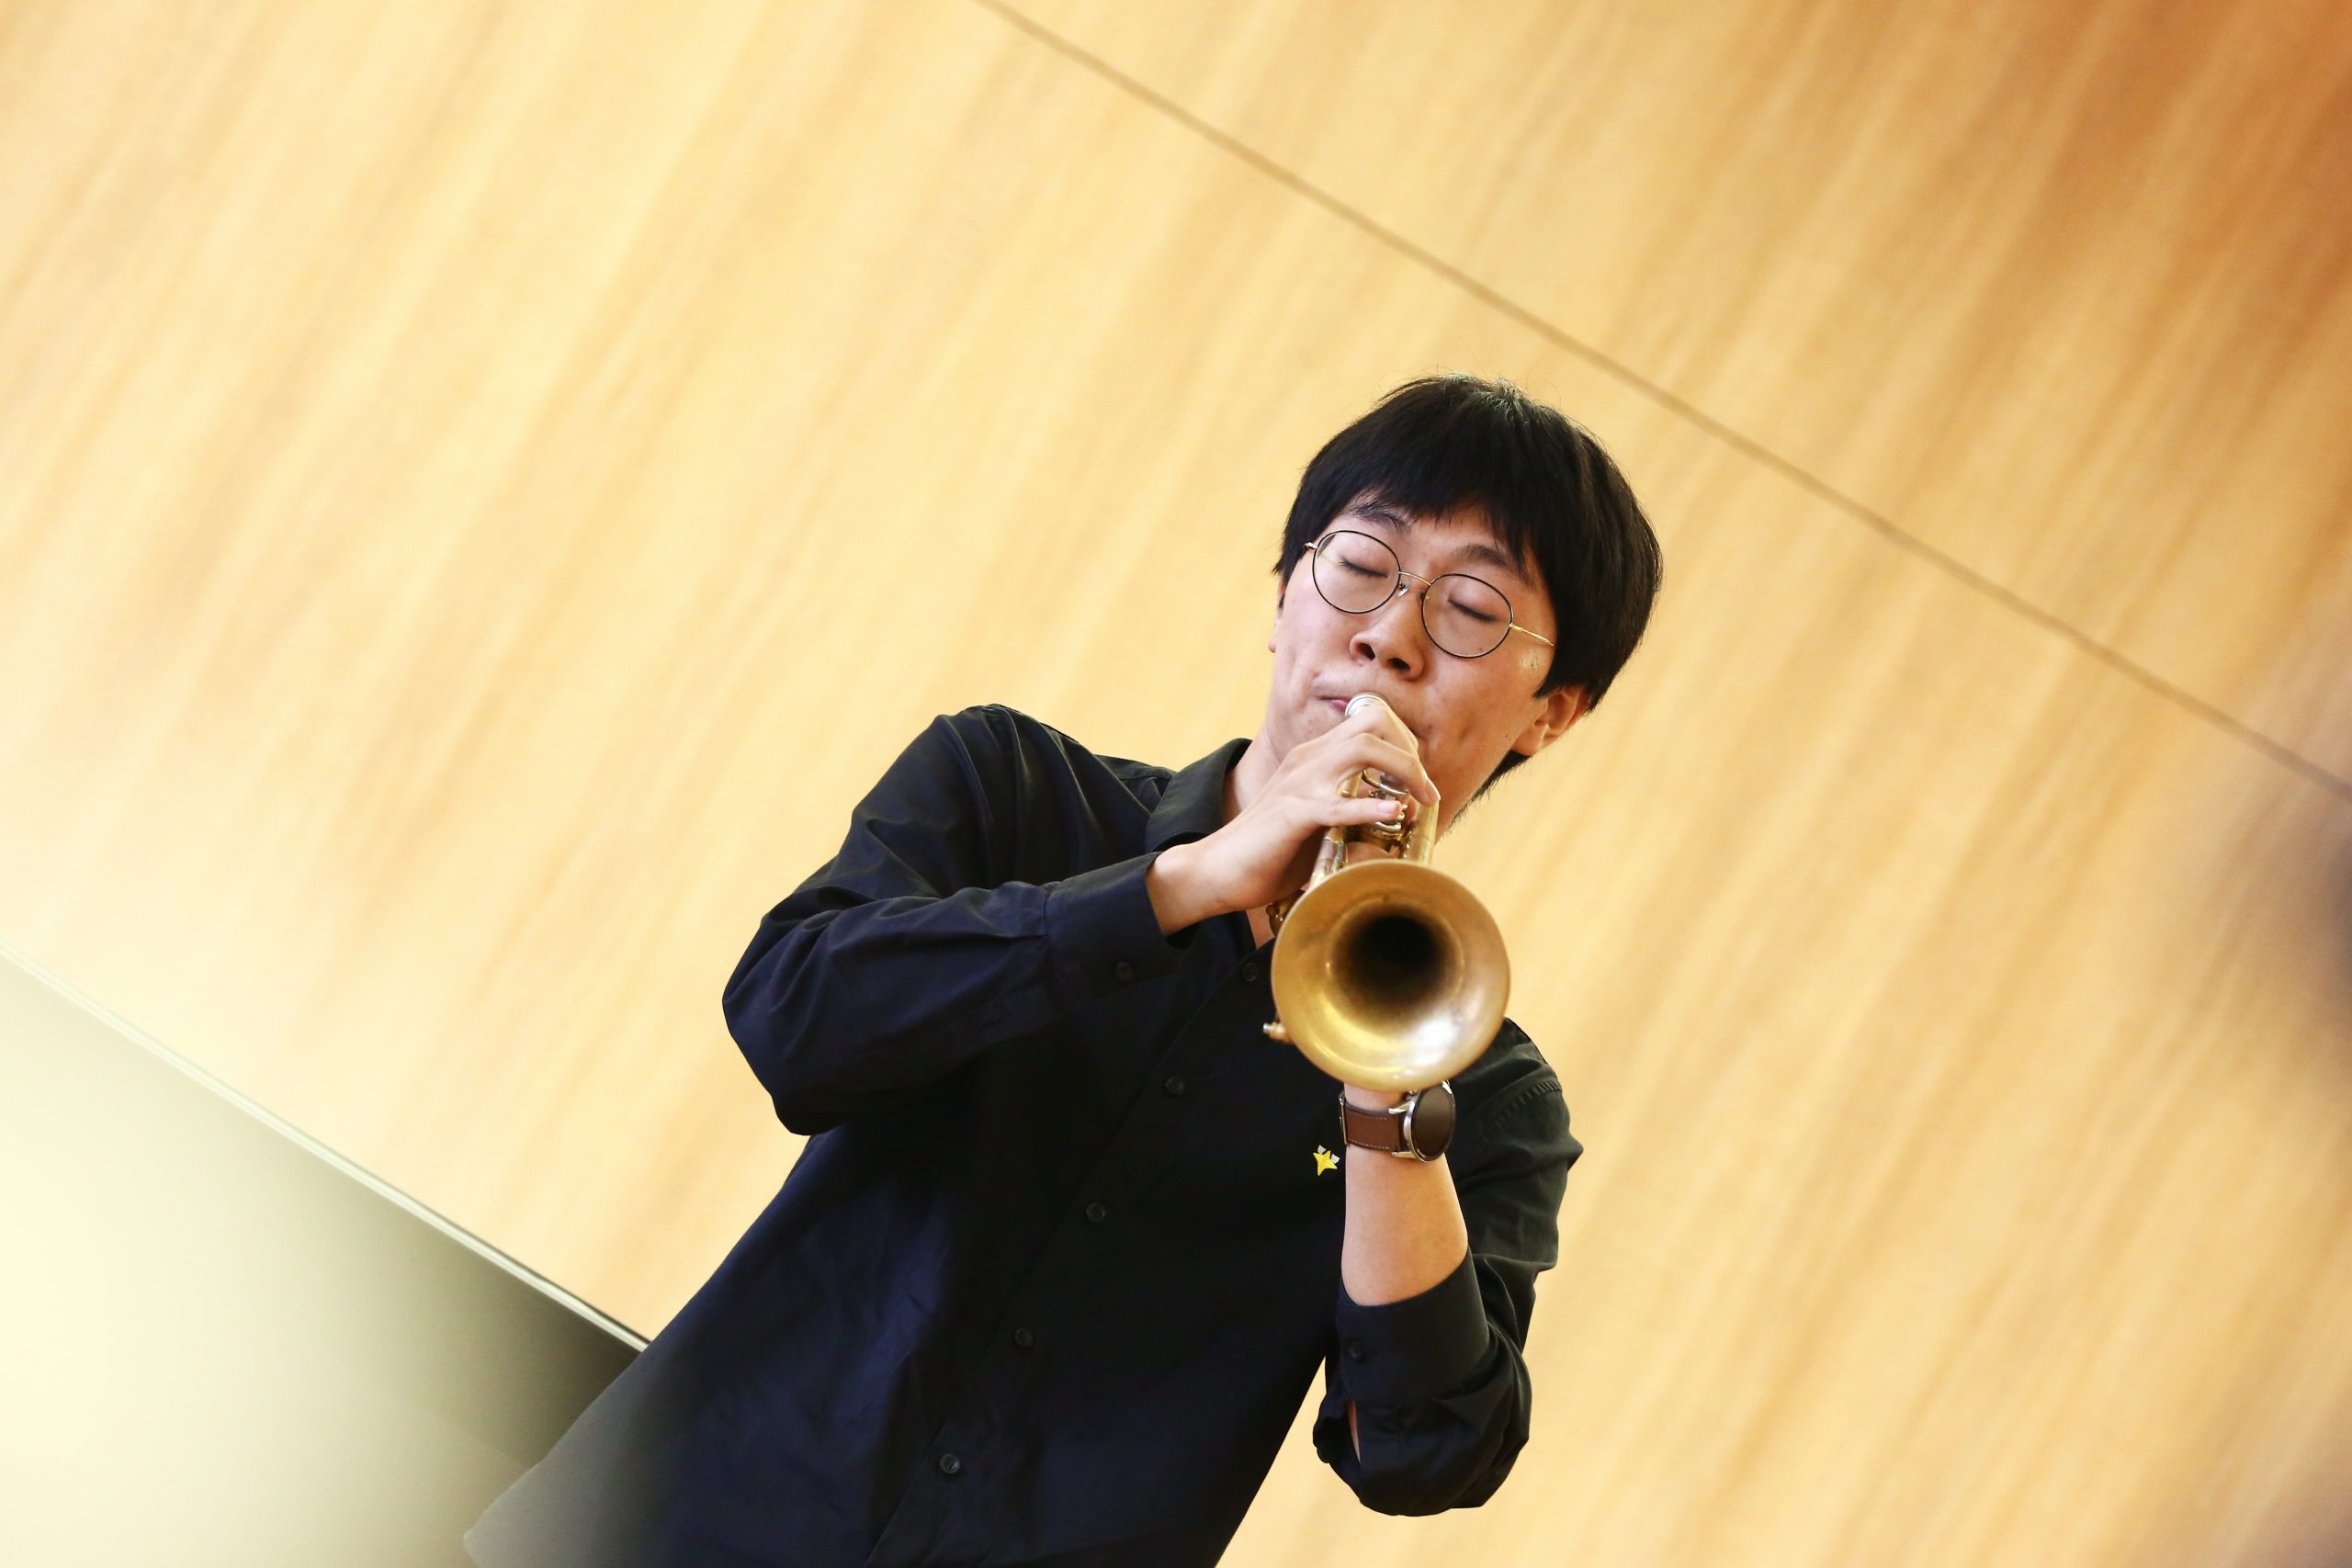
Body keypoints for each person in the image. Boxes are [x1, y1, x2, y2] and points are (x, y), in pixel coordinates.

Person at [463, 373, 1664, 1567]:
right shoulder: (1008, 787)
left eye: (1471, 610)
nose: (1389, 635)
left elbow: (1423, 1455)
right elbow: (795, 1020)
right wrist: (1178, 887)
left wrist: (1388, 1094)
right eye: (1360, 564)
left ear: (1551, 714)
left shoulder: (1486, 1093)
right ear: (1284, 594)